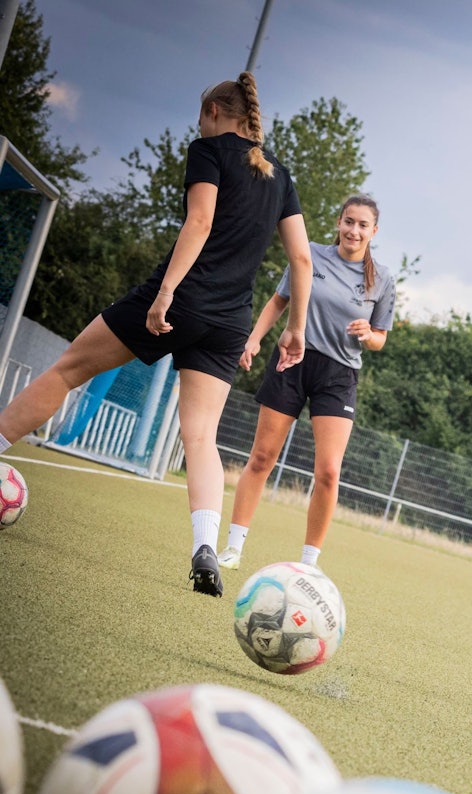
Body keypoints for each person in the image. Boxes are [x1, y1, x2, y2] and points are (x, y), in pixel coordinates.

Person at [0, 72, 309, 597]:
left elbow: (200, 222)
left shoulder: (207, 150)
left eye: (201, 114)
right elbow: (301, 259)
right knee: (201, 436)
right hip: (230, 321)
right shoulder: (279, 175)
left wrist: (165, 292)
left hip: (181, 298)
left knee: (68, 370)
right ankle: (204, 548)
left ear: (214, 112)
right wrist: (295, 328)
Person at [216, 194, 396, 572]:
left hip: (339, 376)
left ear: (374, 231)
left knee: (328, 472)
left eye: (363, 225)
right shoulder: (310, 254)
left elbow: (380, 338)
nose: (354, 230)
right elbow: (278, 301)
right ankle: (232, 548)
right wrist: (253, 339)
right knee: (262, 457)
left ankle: (309, 565)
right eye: (349, 221)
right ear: (339, 222)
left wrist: (368, 334)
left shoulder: (382, 279)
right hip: (292, 361)